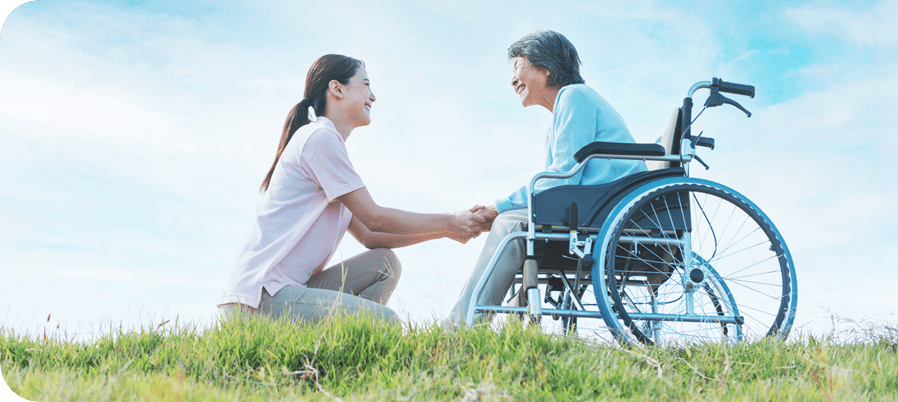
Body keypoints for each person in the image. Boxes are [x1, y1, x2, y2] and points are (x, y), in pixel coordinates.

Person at [219, 54, 486, 324]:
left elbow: (370, 235)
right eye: (366, 84)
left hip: (285, 293)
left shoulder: (329, 150)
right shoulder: (319, 138)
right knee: (384, 321)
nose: (373, 96)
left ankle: (339, 342)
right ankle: (359, 331)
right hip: (259, 299)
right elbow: (374, 217)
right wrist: (451, 221)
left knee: (384, 264)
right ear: (337, 89)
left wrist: (447, 231)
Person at [446, 30, 647, 325]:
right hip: (597, 204)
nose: (512, 79)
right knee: (514, 220)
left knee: (510, 223)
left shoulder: (574, 96)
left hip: (608, 207)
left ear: (546, 67)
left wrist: (497, 208)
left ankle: (462, 325)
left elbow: (558, 181)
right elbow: (555, 186)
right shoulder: (565, 111)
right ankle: (503, 321)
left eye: (518, 66)